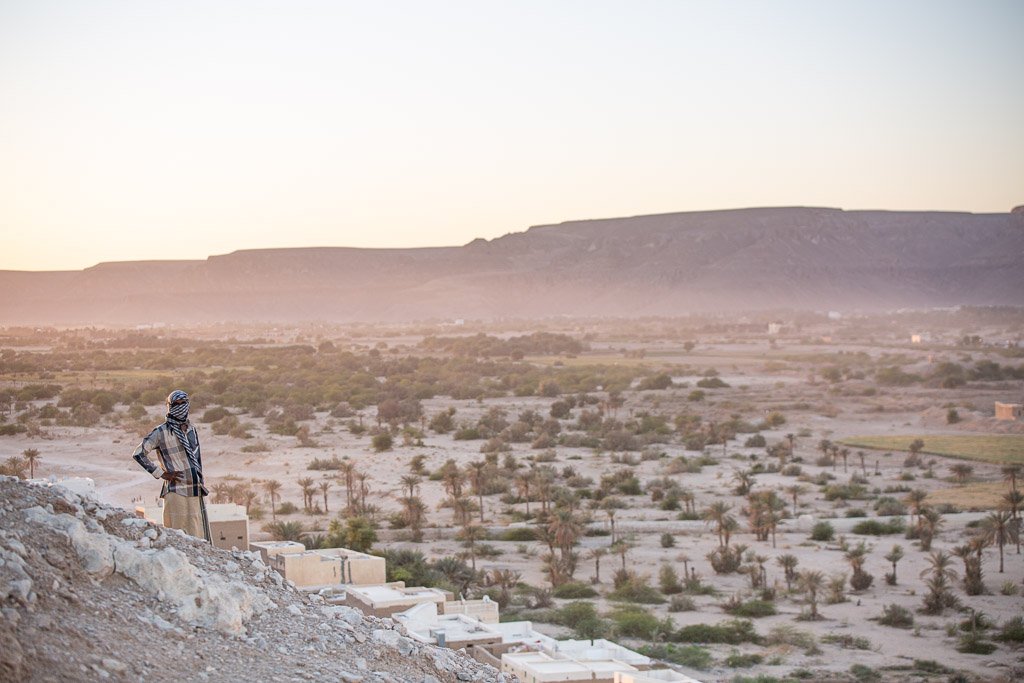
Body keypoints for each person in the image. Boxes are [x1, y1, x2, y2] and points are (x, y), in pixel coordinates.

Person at [131, 390, 211, 541]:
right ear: (169, 406)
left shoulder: (192, 429)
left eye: (183, 403)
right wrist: (160, 473)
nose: (180, 407)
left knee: (198, 535)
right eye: (176, 404)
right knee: (178, 534)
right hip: (176, 490)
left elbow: (196, 460)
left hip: (195, 489)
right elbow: (139, 453)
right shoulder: (161, 432)